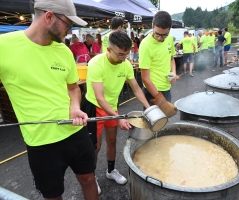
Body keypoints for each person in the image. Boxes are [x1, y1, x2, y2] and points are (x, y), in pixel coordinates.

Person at [0, 0, 99, 199]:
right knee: (53, 195)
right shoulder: (4, 47)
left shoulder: (63, 50)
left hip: (75, 130)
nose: (70, 31)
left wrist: (75, 107)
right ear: (49, 17)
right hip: (41, 142)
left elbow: (73, 88)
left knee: (89, 179)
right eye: (68, 24)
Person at [83, 30, 150, 186]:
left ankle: (110, 171)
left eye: (126, 54)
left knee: (112, 141)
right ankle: (92, 177)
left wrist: (149, 108)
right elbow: (99, 98)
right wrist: (119, 118)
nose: (124, 58)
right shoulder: (96, 64)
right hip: (94, 106)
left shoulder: (125, 64)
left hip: (112, 106)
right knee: (95, 146)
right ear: (109, 50)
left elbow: (136, 88)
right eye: (120, 54)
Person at [139, 11, 178, 117]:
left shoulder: (169, 39)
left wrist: (173, 72)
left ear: (169, 29)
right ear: (152, 26)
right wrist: (160, 99)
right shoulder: (145, 45)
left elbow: (171, 58)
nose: (160, 38)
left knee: (164, 122)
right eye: (157, 34)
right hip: (152, 92)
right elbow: (145, 79)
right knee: (151, 125)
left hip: (167, 88)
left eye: (164, 35)